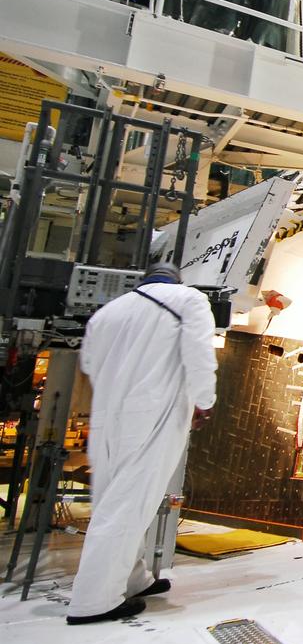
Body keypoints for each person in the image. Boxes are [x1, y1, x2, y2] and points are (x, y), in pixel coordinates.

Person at [66, 261, 218, 625]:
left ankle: (134, 579)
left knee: (116, 499)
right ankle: (93, 601)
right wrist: (204, 400)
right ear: (176, 280)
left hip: (107, 416)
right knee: (127, 506)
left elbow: (89, 363)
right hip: (152, 414)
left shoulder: (107, 311)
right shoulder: (189, 300)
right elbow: (199, 354)